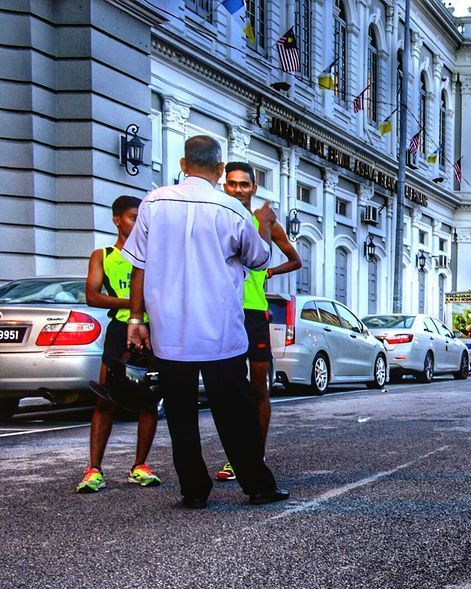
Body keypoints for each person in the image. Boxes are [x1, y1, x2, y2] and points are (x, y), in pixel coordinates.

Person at [122, 135, 287, 509]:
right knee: (234, 412)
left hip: (170, 330)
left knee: (180, 413)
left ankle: (194, 489)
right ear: (218, 170)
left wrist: (136, 318)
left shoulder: (154, 202)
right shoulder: (232, 210)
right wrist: (263, 223)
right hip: (219, 331)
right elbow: (259, 260)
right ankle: (257, 486)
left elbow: (139, 265)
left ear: (183, 164)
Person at [216, 161, 302, 482]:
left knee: (258, 388)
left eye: (244, 184)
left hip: (254, 313)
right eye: (232, 184)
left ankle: (256, 453)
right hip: (225, 311)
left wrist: (269, 272)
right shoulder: (220, 218)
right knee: (231, 389)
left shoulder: (263, 220)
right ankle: (234, 456)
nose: (238, 189)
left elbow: (295, 260)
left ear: (254, 187)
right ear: (225, 185)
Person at [77, 195, 162, 493]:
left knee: (150, 399)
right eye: (131, 217)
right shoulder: (103, 254)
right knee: (106, 398)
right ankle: (94, 469)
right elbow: (93, 296)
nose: (138, 223)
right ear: (117, 219)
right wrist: (133, 302)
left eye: (141, 217)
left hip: (154, 330)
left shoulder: (156, 253)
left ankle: (140, 465)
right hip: (120, 328)